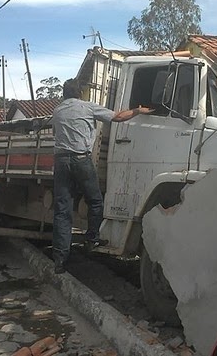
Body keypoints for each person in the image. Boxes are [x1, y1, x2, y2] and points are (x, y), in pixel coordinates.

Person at [51, 78, 153, 274]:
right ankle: (92, 239)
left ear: (64, 93)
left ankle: (59, 261)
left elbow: (57, 133)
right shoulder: (87, 107)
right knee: (96, 200)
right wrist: (138, 111)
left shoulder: (58, 110)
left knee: (62, 210)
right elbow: (118, 117)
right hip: (80, 159)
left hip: (61, 161)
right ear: (79, 93)